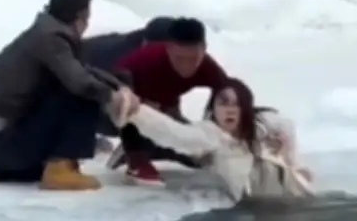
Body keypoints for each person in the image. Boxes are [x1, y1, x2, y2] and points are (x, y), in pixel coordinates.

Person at [0, 0, 140, 191]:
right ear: (78, 16)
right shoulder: (51, 39)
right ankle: (60, 168)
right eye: (86, 17)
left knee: (75, 88)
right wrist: (109, 96)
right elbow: (80, 82)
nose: (87, 23)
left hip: (0, 142)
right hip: (9, 141)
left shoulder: (46, 32)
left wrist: (118, 88)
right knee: (81, 95)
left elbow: (84, 69)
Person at [0, 17, 175, 149]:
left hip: (87, 96)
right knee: (23, 139)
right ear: (146, 43)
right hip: (52, 89)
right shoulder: (114, 54)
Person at [121, 77, 314, 203]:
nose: (230, 109)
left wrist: (291, 160)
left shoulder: (263, 123)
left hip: (294, 199)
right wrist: (136, 112)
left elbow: (286, 126)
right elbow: (174, 134)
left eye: (237, 104)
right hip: (256, 210)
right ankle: (128, 152)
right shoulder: (211, 135)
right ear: (213, 108)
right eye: (223, 103)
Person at [109, 17, 229, 186]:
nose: (186, 66)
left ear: (204, 49)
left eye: (193, 59)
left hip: (164, 104)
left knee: (193, 147)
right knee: (127, 104)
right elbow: (111, 86)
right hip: (112, 104)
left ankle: (154, 148)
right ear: (169, 49)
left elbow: (230, 94)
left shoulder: (207, 66)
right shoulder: (143, 60)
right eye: (180, 59)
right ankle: (135, 160)